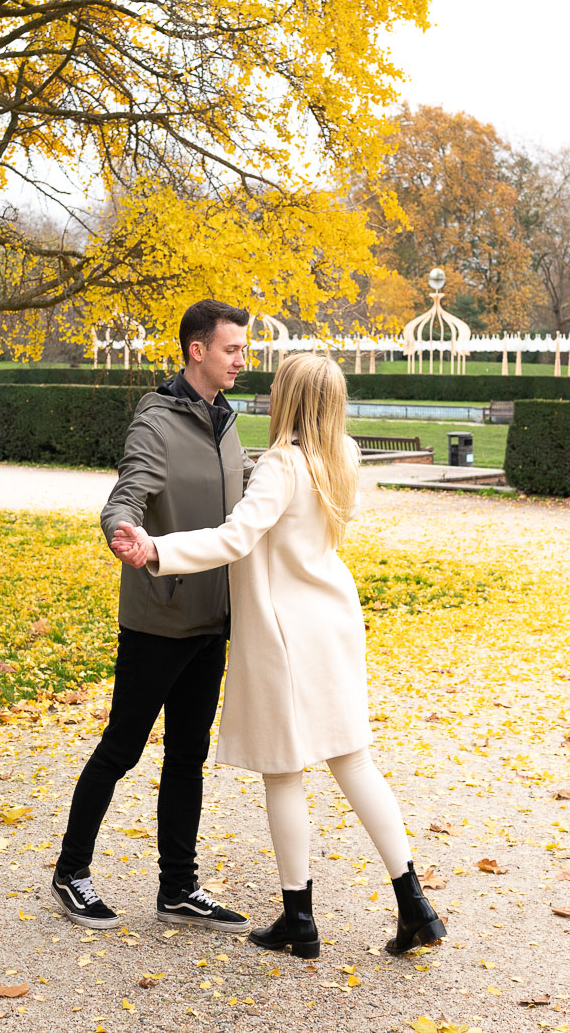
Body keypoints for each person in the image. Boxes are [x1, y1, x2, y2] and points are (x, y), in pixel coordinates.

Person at [111, 351, 445, 959]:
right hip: (335, 624)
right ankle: (414, 903)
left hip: (286, 635)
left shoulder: (281, 466)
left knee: (285, 771)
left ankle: (299, 917)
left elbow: (232, 538)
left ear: (289, 398)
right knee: (354, 762)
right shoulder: (343, 456)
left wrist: (155, 550)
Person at [50, 299, 254, 934]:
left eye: (243, 350)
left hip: (211, 620)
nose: (242, 360)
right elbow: (127, 492)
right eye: (232, 350)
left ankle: (178, 886)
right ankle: (70, 872)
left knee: (188, 755)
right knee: (122, 748)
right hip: (158, 620)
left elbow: (242, 495)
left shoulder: (227, 422)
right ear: (197, 351)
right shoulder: (157, 421)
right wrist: (122, 529)